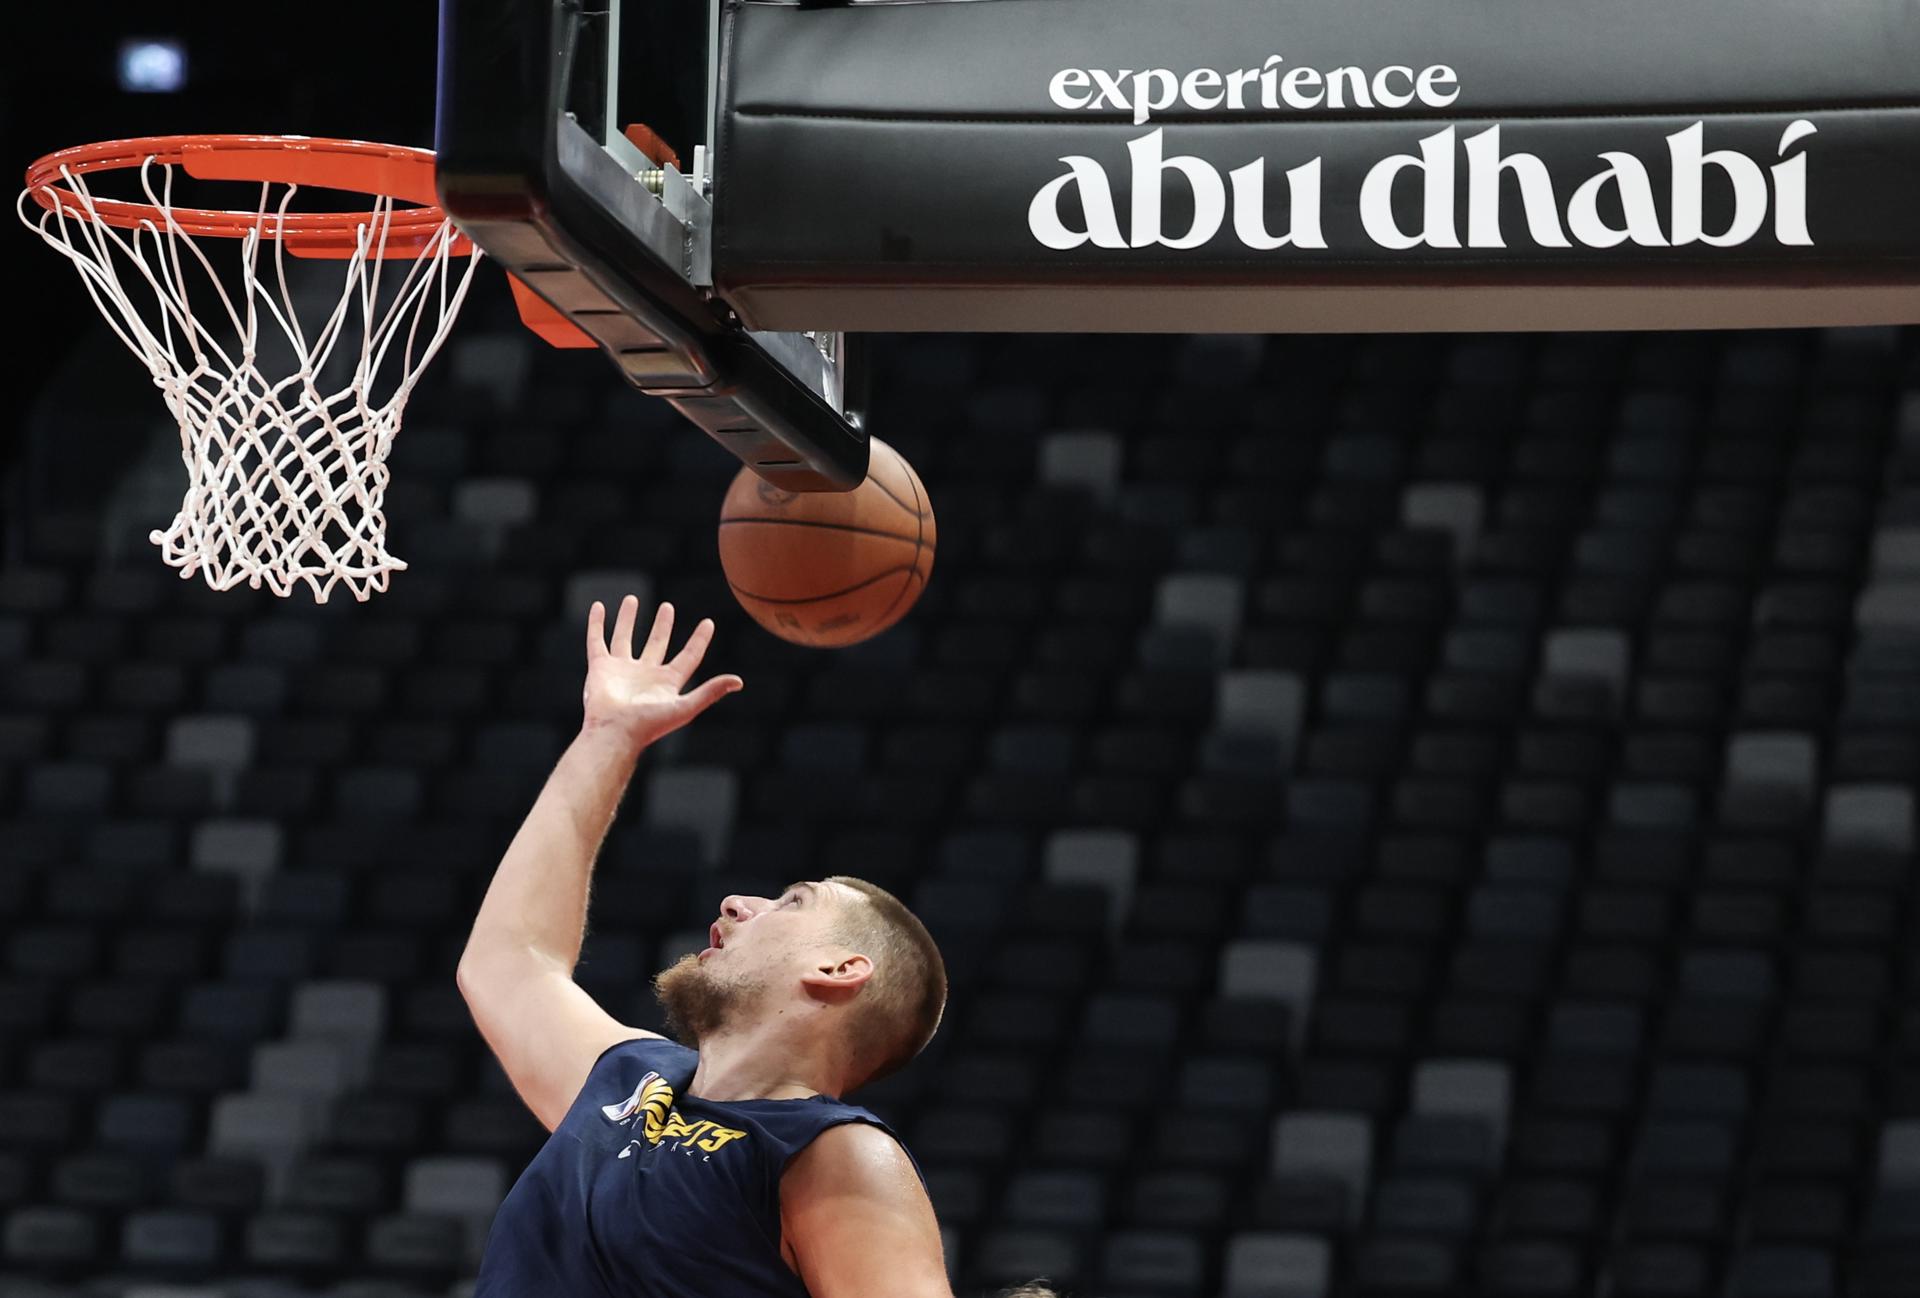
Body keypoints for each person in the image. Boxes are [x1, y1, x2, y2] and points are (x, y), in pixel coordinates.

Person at [458, 596, 1056, 1297]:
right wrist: (608, 738)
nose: (737, 903)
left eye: (793, 901)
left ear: (840, 969)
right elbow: (508, 961)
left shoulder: (834, 1154)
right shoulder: (628, 1080)